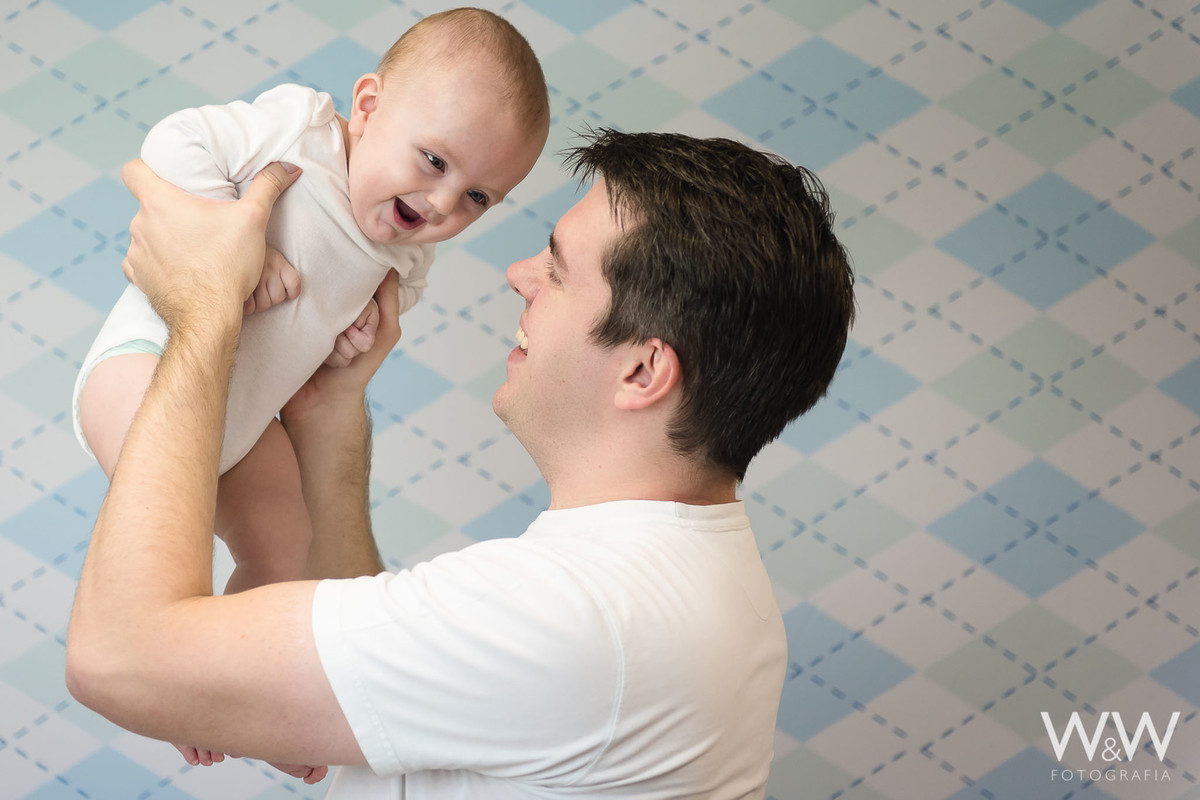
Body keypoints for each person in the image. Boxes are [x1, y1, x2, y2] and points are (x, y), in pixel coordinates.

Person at [65, 129, 856, 797]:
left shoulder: (573, 617)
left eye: (557, 268)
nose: (519, 276)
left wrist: (203, 311)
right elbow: (380, 674)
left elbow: (118, 660)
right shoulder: (678, 581)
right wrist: (329, 413)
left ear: (643, 371)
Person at [72, 6, 548, 603]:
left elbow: (380, 312)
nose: (443, 202)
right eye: (434, 161)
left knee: (290, 543)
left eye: (477, 196)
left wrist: (357, 334)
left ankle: (232, 662)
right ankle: (156, 641)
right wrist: (231, 229)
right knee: (172, 539)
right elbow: (174, 142)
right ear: (369, 109)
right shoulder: (301, 133)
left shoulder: (410, 258)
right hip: (147, 365)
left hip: (245, 424)